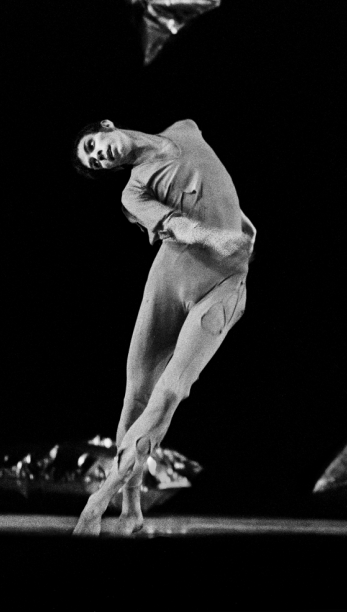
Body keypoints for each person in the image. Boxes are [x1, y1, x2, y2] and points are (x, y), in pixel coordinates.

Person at [71, 117, 256, 536]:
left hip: (226, 283)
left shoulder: (185, 128)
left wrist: (242, 219)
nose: (101, 155)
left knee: (172, 390)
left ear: (106, 125)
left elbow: (213, 179)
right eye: (96, 161)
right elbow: (178, 225)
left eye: (95, 145)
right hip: (172, 279)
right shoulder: (133, 190)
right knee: (136, 395)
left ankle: (98, 501)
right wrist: (214, 237)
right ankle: (131, 506)